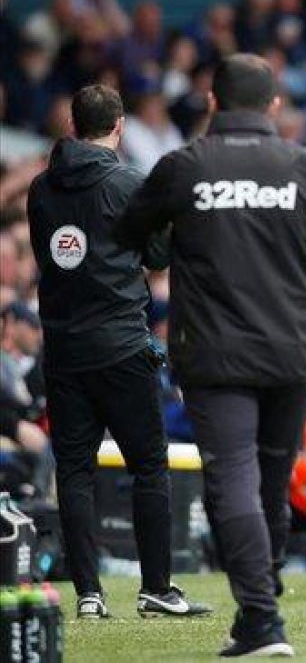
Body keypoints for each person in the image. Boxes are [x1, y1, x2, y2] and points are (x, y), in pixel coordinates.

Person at [115, 54, 306, 656]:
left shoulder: (184, 167)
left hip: (214, 353)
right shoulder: (301, 165)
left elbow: (131, 233)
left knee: (233, 476)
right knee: (271, 480)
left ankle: (261, 617)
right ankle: (263, 596)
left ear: (211, 102)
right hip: (288, 350)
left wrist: (178, 238)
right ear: (275, 107)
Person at [24, 85, 210, 620]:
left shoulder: (40, 189)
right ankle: (156, 589)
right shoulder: (128, 183)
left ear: (72, 124)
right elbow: (157, 252)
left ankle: (88, 593)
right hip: (121, 344)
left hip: (62, 347)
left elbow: (48, 254)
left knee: (74, 470)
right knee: (149, 465)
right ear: (120, 126)